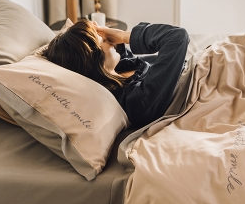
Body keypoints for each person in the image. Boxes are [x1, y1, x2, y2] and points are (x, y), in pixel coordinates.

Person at [42, 20, 189, 128]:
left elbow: (121, 57)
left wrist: (105, 35)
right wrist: (124, 35)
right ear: (93, 59)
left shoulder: (121, 69)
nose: (110, 40)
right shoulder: (136, 101)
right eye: (103, 40)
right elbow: (177, 37)